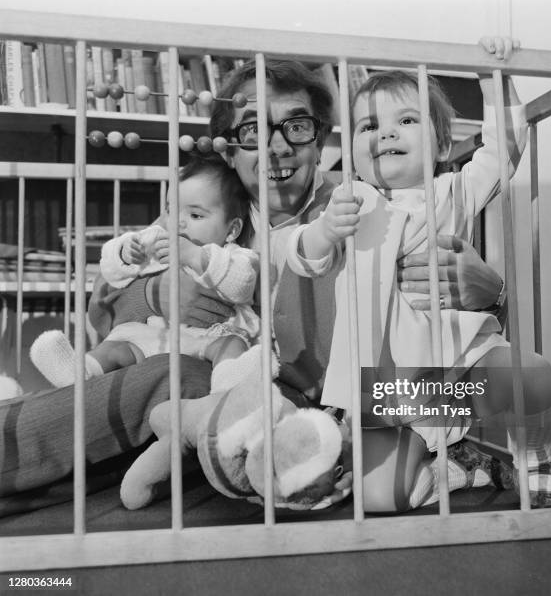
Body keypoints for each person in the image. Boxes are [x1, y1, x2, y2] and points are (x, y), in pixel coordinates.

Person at [0, 58, 509, 512]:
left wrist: (494, 293)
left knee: (172, 380)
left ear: (325, 138)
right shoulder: (203, 212)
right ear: (227, 149)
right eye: (251, 131)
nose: (276, 146)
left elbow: (432, 318)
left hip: (324, 399)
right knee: (160, 385)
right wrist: (162, 293)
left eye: (298, 126)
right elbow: (108, 308)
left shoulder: (361, 202)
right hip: (212, 388)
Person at [286, 37, 551, 509]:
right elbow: (304, 258)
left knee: (533, 375)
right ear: (351, 150)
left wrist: (491, 74)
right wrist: (323, 232)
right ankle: (461, 469)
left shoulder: (452, 192)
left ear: (442, 143)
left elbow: (504, 149)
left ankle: (535, 463)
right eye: (368, 126)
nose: (386, 134)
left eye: (406, 121)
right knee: (381, 498)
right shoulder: (349, 203)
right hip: (389, 387)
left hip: (460, 367)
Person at [29, 153, 262, 392]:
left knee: (233, 346)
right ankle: (80, 372)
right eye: (171, 210)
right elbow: (111, 272)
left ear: (232, 229)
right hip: (154, 336)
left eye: (195, 215)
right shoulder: (158, 240)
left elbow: (241, 284)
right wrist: (125, 253)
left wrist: (193, 255)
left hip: (206, 341)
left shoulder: (234, 254)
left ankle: (228, 390)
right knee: (116, 348)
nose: (178, 223)